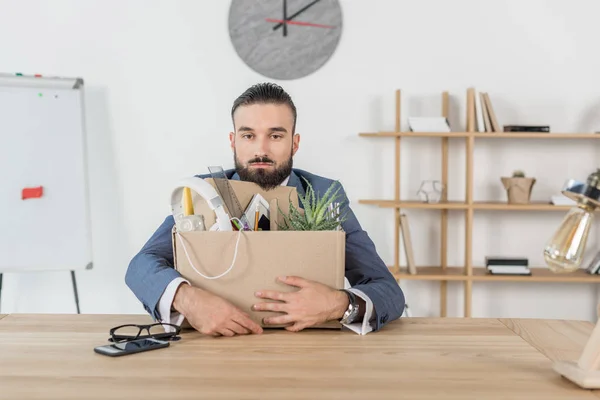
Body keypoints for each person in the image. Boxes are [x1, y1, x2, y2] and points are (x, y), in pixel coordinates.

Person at [125, 83, 405, 337]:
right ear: (233, 141)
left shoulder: (324, 194)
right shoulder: (201, 191)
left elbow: (388, 290)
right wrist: (189, 300)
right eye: (248, 135)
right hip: (216, 348)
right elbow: (141, 265)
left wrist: (337, 304)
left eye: (275, 135)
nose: (261, 149)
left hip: (309, 351)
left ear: (294, 142)